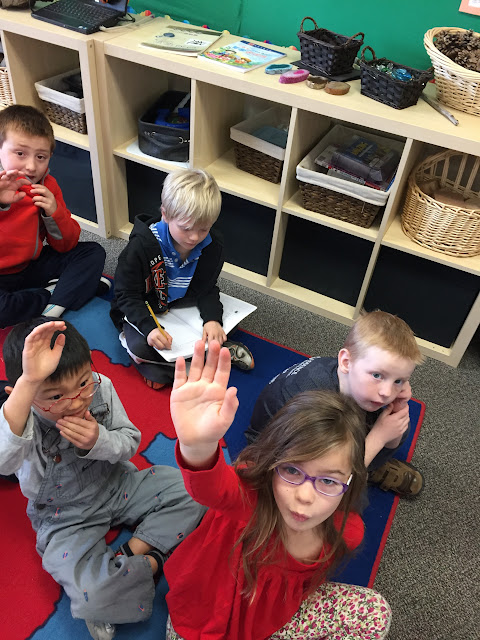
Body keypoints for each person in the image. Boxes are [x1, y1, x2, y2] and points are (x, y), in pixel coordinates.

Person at [164, 339, 392, 640]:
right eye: (292, 470)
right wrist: (197, 445)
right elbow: (210, 487)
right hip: (207, 614)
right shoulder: (250, 497)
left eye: (328, 481)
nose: (305, 497)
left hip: (273, 616)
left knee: (375, 612)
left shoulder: (347, 532)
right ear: (271, 464)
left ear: (350, 482)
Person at [0, 318, 205, 640]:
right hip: (64, 516)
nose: (76, 400)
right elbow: (3, 460)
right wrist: (28, 384)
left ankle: (134, 556)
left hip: (117, 484)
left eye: (83, 382)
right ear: (22, 395)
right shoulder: (18, 418)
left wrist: (99, 440)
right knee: (90, 595)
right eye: (55, 396)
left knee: (195, 491)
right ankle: (149, 564)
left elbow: (130, 442)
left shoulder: (100, 386)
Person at [245, 310, 425, 497]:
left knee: (390, 425)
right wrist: (378, 439)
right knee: (334, 496)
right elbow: (324, 472)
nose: (387, 392)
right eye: (377, 375)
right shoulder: (315, 403)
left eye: (399, 380)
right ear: (346, 362)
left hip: (315, 434)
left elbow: (394, 435)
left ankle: (366, 462)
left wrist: (398, 408)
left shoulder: (358, 380)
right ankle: (364, 466)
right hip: (274, 455)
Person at [110, 168, 254, 390]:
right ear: (165, 214)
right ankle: (202, 361)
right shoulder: (140, 247)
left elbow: (207, 288)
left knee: (221, 326)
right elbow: (126, 296)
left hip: (180, 306)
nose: (194, 237)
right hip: (144, 308)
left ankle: (184, 363)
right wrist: (149, 328)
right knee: (141, 346)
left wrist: (212, 320)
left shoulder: (212, 245)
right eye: (186, 228)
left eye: (203, 229)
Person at [0, 104, 108, 328]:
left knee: (93, 252)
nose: (31, 166)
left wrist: (54, 213)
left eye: (41, 157)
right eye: (20, 154)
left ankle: (56, 301)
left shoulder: (48, 186)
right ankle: (54, 296)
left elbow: (66, 244)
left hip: (31, 265)